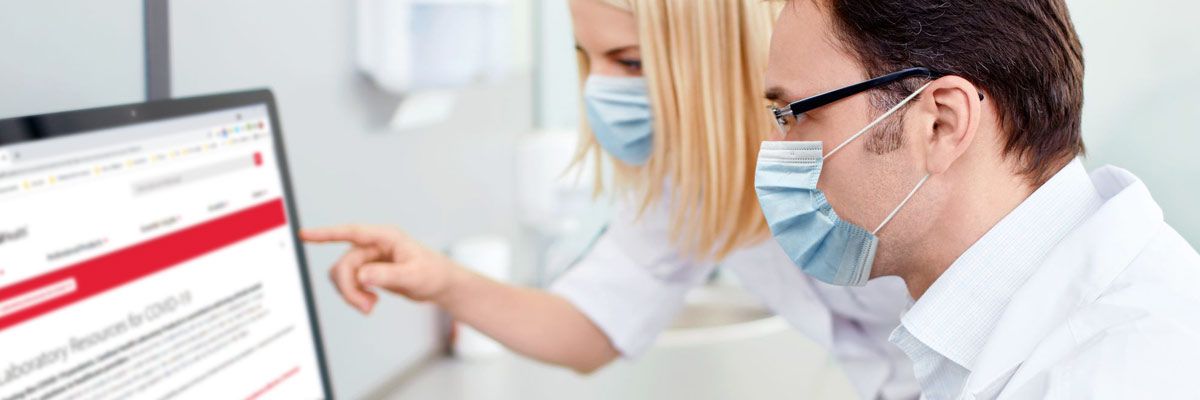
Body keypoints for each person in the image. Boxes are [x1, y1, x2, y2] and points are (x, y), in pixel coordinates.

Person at [304, 0, 920, 398]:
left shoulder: (873, 149)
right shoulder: (686, 180)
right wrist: (442, 281)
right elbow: (590, 329)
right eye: (586, 58)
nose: (598, 88)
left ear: (714, 60)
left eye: (627, 61)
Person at [758, 0, 1200, 398]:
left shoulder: (1118, 376)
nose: (777, 151)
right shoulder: (992, 337)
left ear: (942, 123)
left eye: (798, 113)